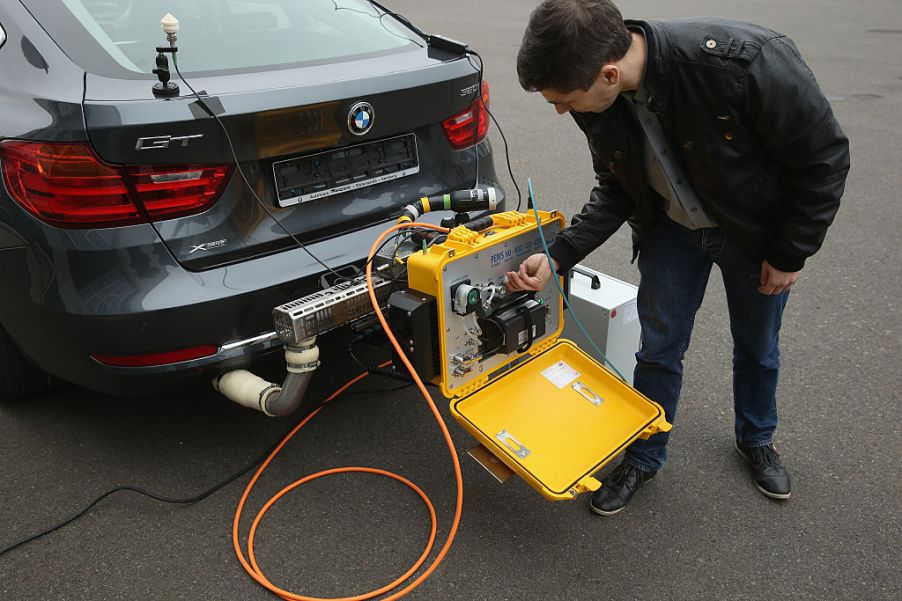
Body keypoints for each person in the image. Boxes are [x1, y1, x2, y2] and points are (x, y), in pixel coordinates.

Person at [507, 0, 850, 515]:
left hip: (755, 236)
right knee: (658, 350)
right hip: (671, 230)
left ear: (607, 72)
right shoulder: (598, 96)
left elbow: (824, 159)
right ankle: (645, 454)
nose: (561, 111)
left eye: (565, 101)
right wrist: (559, 255)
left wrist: (790, 251)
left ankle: (757, 438)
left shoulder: (744, 63)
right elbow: (617, 186)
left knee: (758, 347)